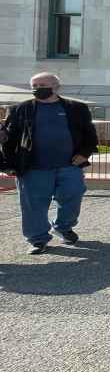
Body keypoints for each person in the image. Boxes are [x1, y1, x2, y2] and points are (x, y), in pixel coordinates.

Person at [0, 72, 97, 254]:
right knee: (33, 205)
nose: (38, 89)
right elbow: (9, 140)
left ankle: (63, 226)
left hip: (70, 165)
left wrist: (85, 153)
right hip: (33, 168)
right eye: (34, 86)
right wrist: (8, 163)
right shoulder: (20, 109)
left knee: (73, 195)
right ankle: (37, 239)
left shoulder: (77, 108)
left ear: (55, 86)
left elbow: (90, 135)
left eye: (42, 84)